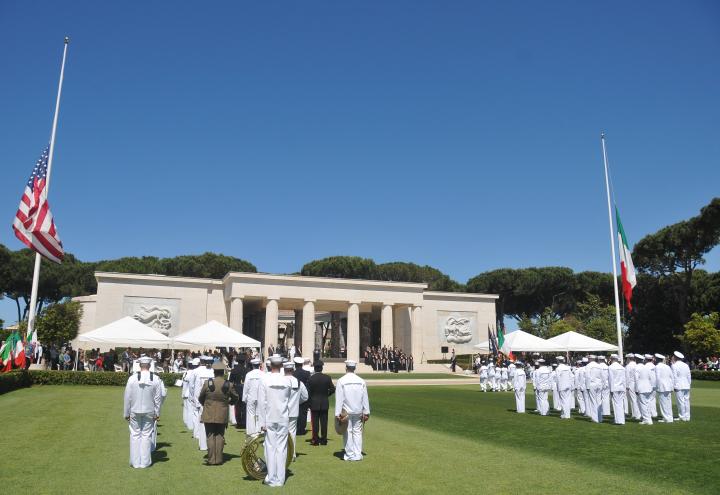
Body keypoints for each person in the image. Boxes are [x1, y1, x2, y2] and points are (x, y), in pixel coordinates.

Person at [257, 355, 291, 487]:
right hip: (282, 417)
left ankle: (272, 478)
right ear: (281, 366)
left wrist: (262, 423)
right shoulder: (286, 381)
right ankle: (280, 479)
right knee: (281, 448)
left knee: (270, 448)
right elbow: (286, 400)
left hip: (270, 418)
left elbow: (262, 403)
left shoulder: (264, 380)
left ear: (271, 365)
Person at [123, 356, 162, 469]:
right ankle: (145, 462)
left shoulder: (132, 378)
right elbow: (157, 398)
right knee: (146, 435)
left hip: (134, 411)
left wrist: (126, 413)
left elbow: (127, 397)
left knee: (135, 435)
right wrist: (157, 412)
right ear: (149, 365)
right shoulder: (156, 379)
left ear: (140, 365)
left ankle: (135, 462)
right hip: (149, 410)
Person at [199, 361, 239, 465]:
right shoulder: (228, 384)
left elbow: (200, 398)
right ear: (223, 372)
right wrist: (229, 402)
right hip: (222, 413)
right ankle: (219, 459)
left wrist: (207, 405)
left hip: (209, 413)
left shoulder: (208, 383)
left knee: (210, 435)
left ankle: (211, 459)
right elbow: (236, 397)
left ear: (214, 372)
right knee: (220, 435)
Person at [335, 360, 370, 461]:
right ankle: (357, 454)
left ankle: (350, 454)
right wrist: (366, 412)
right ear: (354, 368)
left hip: (346, 412)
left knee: (348, 432)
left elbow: (339, 398)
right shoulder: (361, 381)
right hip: (358, 411)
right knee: (357, 433)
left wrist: (337, 413)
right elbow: (365, 398)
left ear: (346, 368)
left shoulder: (342, 380)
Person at [307, 360, 335, 446]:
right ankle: (323, 440)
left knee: (315, 423)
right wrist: (327, 394)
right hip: (324, 402)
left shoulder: (311, 378)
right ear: (322, 368)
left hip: (314, 402)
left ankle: (315, 440)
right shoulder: (327, 377)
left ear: (314, 368)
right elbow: (333, 389)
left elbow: (308, 392)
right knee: (324, 422)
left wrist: (309, 402)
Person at [284, 361, 308, 460]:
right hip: (293, 411)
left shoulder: (281, 380)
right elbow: (305, 397)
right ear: (293, 370)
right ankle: (292, 454)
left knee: (280, 433)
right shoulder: (298, 382)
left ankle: (283, 454)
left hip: (281, 411)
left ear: (284, 370)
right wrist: (296, 402)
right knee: (292, 433)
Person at [192, 356, 215, 451]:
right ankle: (211, 443)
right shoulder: (214, 372)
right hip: (212, 400)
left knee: (202, 422)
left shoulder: (200, 372)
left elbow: (197, 389)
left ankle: (203, 445)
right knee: (212, 422)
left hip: (204, 400)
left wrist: (197, 402)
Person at [242, 357, 263, 436]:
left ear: (252, 365)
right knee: (259, 414)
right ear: (259, 365)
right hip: (261, 396)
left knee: (251, 414)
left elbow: (246, 387)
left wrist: (244, 397)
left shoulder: (249, 374)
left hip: (251, 396)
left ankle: (251, 432)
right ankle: (259, 430)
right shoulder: (263, 374)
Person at [293, 356, 311, 435]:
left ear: (295, 365)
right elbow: (309, 385)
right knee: (303, 413)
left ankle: (295, 428)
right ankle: (301, 429)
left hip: (294, 394)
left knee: (294, 412)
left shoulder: (293, 373)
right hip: (304, 394)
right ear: (302, 364)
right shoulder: (307, 373)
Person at [671, 351, 691, 421]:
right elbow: (689, 376)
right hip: (686, 385)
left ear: (675, 357)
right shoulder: (686, 365)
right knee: (686, 401)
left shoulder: (674, 365)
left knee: (680, 402)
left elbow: (674, 377)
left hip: (679, 385)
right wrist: (689, 384)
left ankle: (682, 416)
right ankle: (687, 417)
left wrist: (674, 386)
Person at [654, 354, 674, 423]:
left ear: (657, 359)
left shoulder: (657, 367)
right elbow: (671, 377)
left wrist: (656, 387)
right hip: (668, 387)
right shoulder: (667, 366)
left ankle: (666, 418)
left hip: (662, 387)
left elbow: (657, 378)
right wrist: (672, 387)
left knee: (663, 403)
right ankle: (670, 417)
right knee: (668, 403)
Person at [634, 354, 654, 425]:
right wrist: (651, 387)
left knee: (643, 404)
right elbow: (651, 378)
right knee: (647, 403)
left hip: (641, 388)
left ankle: (646, 419)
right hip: (648, 388)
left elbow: (636, 380)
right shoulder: (646, 367)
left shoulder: (636, 368)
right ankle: (649, 419)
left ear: (636, 360)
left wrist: (636, 389)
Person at [608, 354, 626, 425]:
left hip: (614, 387)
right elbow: (624, 379)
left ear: (611, 359)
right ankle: (621, 420)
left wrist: (611, 389)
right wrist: (624, 388)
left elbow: (611, 379)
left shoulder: (611, 367)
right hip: (621, 387)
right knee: (620, 404)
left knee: (616, 404)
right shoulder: (622, 367)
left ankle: (618, 420)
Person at [585, 355, 603, 423]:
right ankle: (600, 418)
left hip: (592, 384)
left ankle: (595, 418)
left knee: (593, 401)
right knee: (599, 401)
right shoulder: (599, 366)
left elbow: (587, 376)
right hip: (599, 384)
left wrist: (587, 386)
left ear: (590, 359)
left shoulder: (588, 366)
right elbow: (602, 376)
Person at [182, 358, 199, 431]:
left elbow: (184, 385)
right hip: (194, 393)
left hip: (187, 393)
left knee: (188, 410)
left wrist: (182, 394)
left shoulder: (187, 373)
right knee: (193, 410)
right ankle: (192, 425)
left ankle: (189, 425)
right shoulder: (196, 372)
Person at [625, 354, 641, 421]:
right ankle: (637, 413)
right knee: (637, 399)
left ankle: (636, 414)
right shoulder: (637, 365)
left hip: (631, 384)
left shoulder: (628, 366)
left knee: (633, 399)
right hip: (637, 383)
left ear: (629, 359)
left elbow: (627, 377)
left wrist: (627, 386)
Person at [644, 354, 659, 418]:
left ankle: (649, 412)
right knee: (653, 399)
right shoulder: (654, 366)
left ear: (646, 359)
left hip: (648, 384)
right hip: (654, 384)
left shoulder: (645, 366)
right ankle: (654, 413)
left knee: (647, 399)